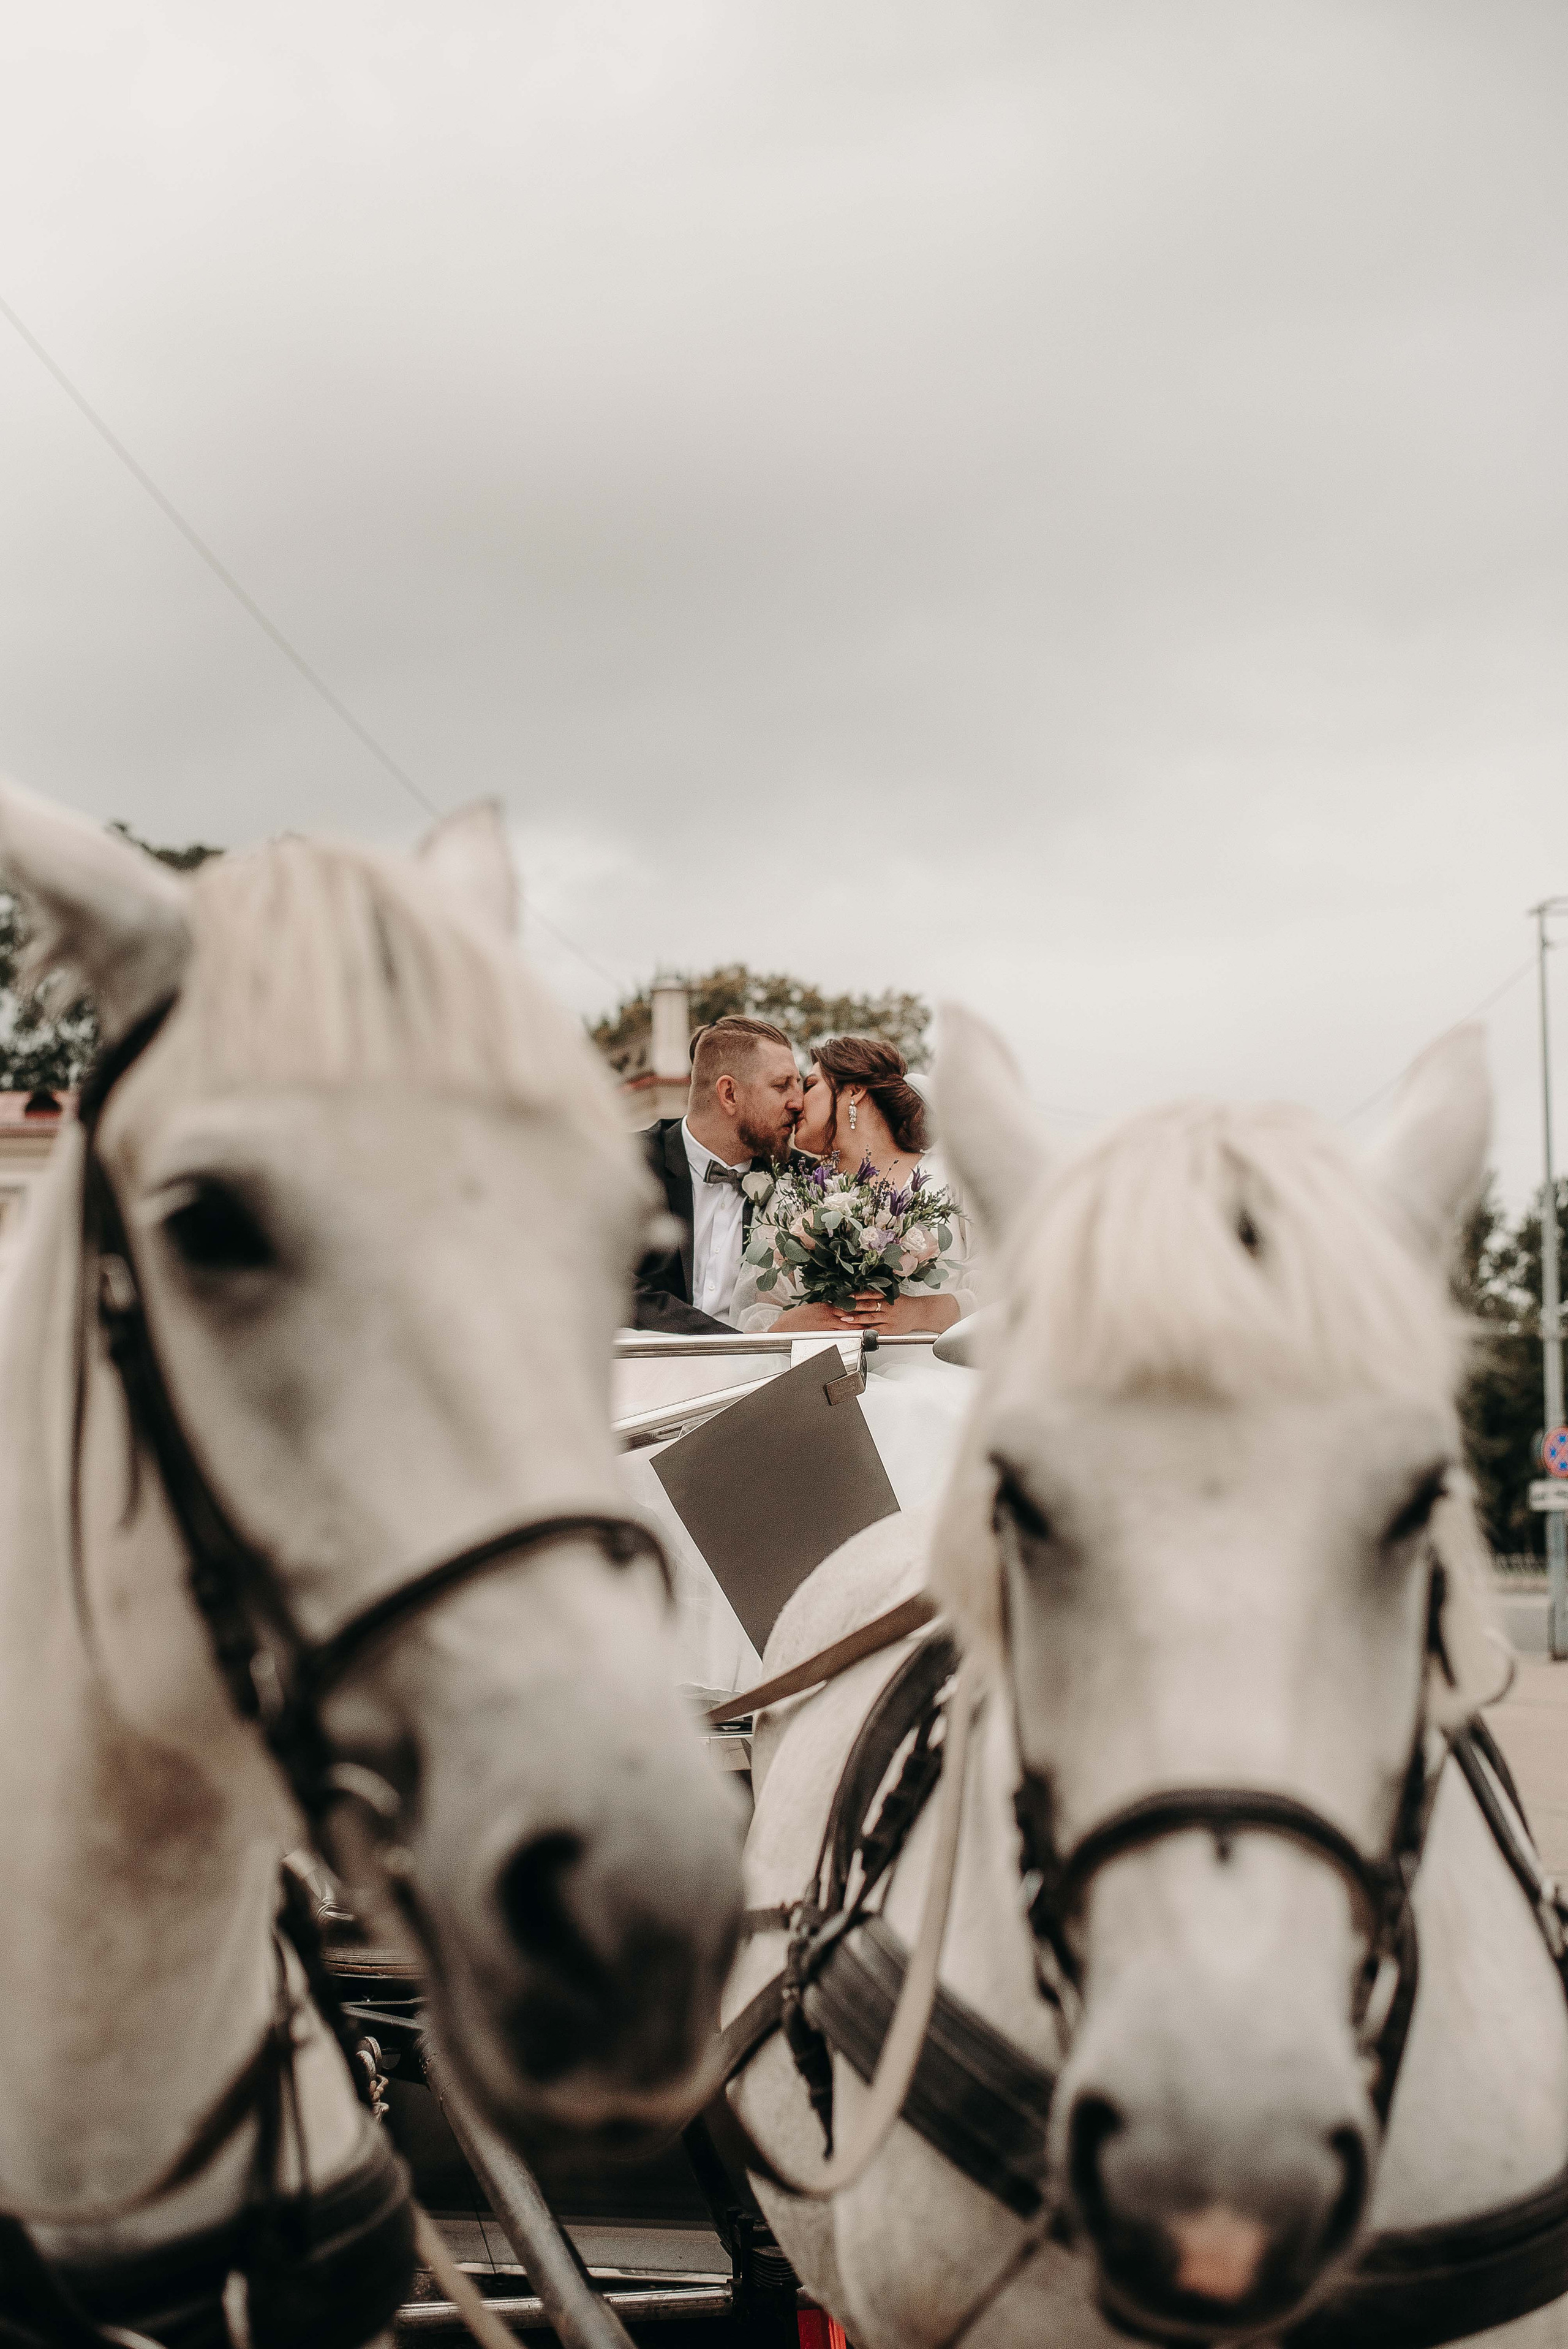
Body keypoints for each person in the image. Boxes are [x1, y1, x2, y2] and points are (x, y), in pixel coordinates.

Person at [729, 1034, 977, 1336]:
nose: (795, 1104)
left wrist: (920, 1312)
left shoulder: (952, 1178)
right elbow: (755, 1313)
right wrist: (789, 1325)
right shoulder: (792, 1195)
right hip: (826, 1376)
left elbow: (1012, 1290)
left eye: (809, 1086)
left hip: (932, 1372)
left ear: (855, 1091)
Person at [631, 1015, 805, 1332]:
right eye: (782, 1086)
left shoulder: (806, 1180)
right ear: (729, 1094)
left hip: (769, 1374)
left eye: (800, 1084)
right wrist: (731, 1346)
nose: (798, 1102)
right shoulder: (632, 1163)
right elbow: (612, 1287)